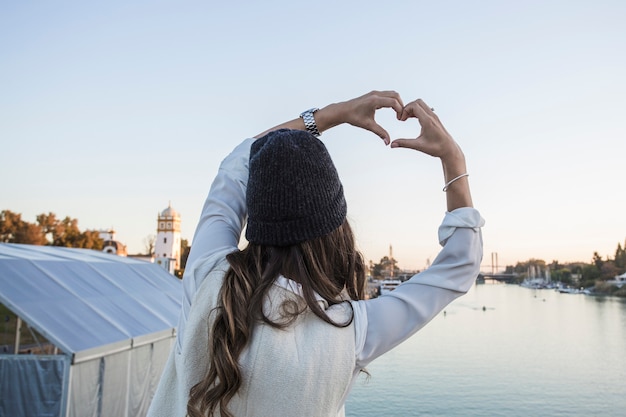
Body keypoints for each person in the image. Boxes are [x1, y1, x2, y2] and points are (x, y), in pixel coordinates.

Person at [147, 91, 484, 417]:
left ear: (257, 215)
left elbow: (237, 161)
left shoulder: (207, 277)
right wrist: (453, 159)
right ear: (336, 230)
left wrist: (333, 114)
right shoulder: (350, 333)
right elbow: (460, 264)